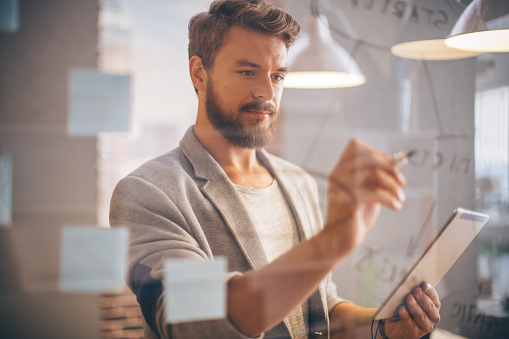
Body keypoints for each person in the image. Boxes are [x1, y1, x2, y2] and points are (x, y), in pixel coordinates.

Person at [109, 0, 441, 338]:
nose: (267, 93)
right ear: (199, 73)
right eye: (247, 71)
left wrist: (383, 326)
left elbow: (319, 311)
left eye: (278, 75)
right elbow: (195, 320)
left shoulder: (298, 182)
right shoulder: (145, 193)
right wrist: (334, 240)